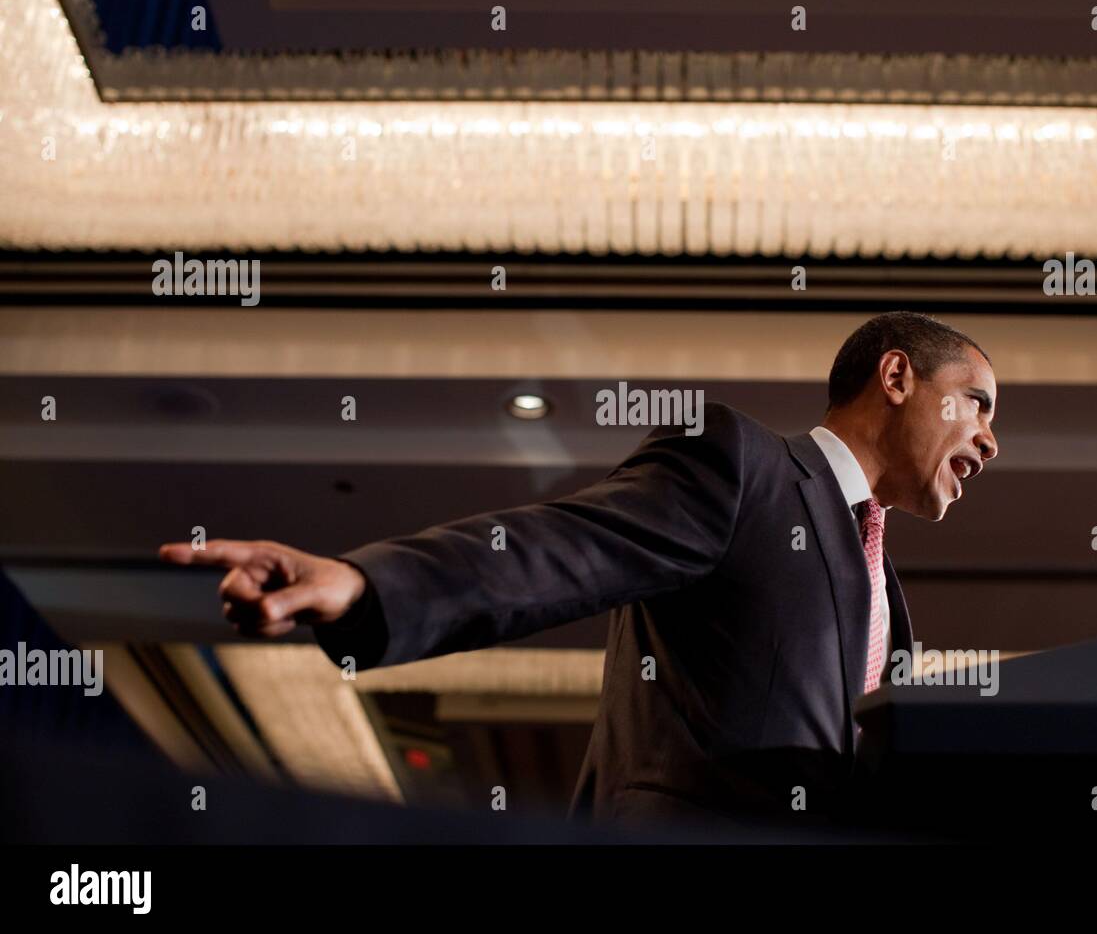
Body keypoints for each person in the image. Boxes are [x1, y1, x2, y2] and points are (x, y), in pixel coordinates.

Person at [159, 311, 998, 829]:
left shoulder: (888, 593)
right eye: (979, 405)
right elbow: (562, 548)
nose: (991, 442)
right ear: (896, 376)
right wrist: (367, 584)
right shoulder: (744, 468)